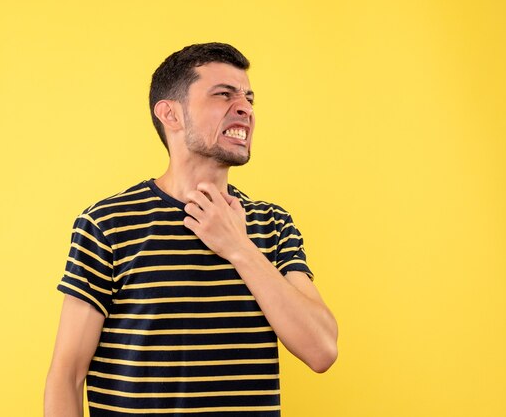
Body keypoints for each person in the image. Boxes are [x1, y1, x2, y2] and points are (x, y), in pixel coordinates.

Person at [44, 42, 338, 416]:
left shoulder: (272, 224)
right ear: (171, 114)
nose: (245, 108)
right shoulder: (108, 224)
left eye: (248, 98)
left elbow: (322, 349)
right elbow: (67, 376)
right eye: (223, 95)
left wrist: (239, 248)